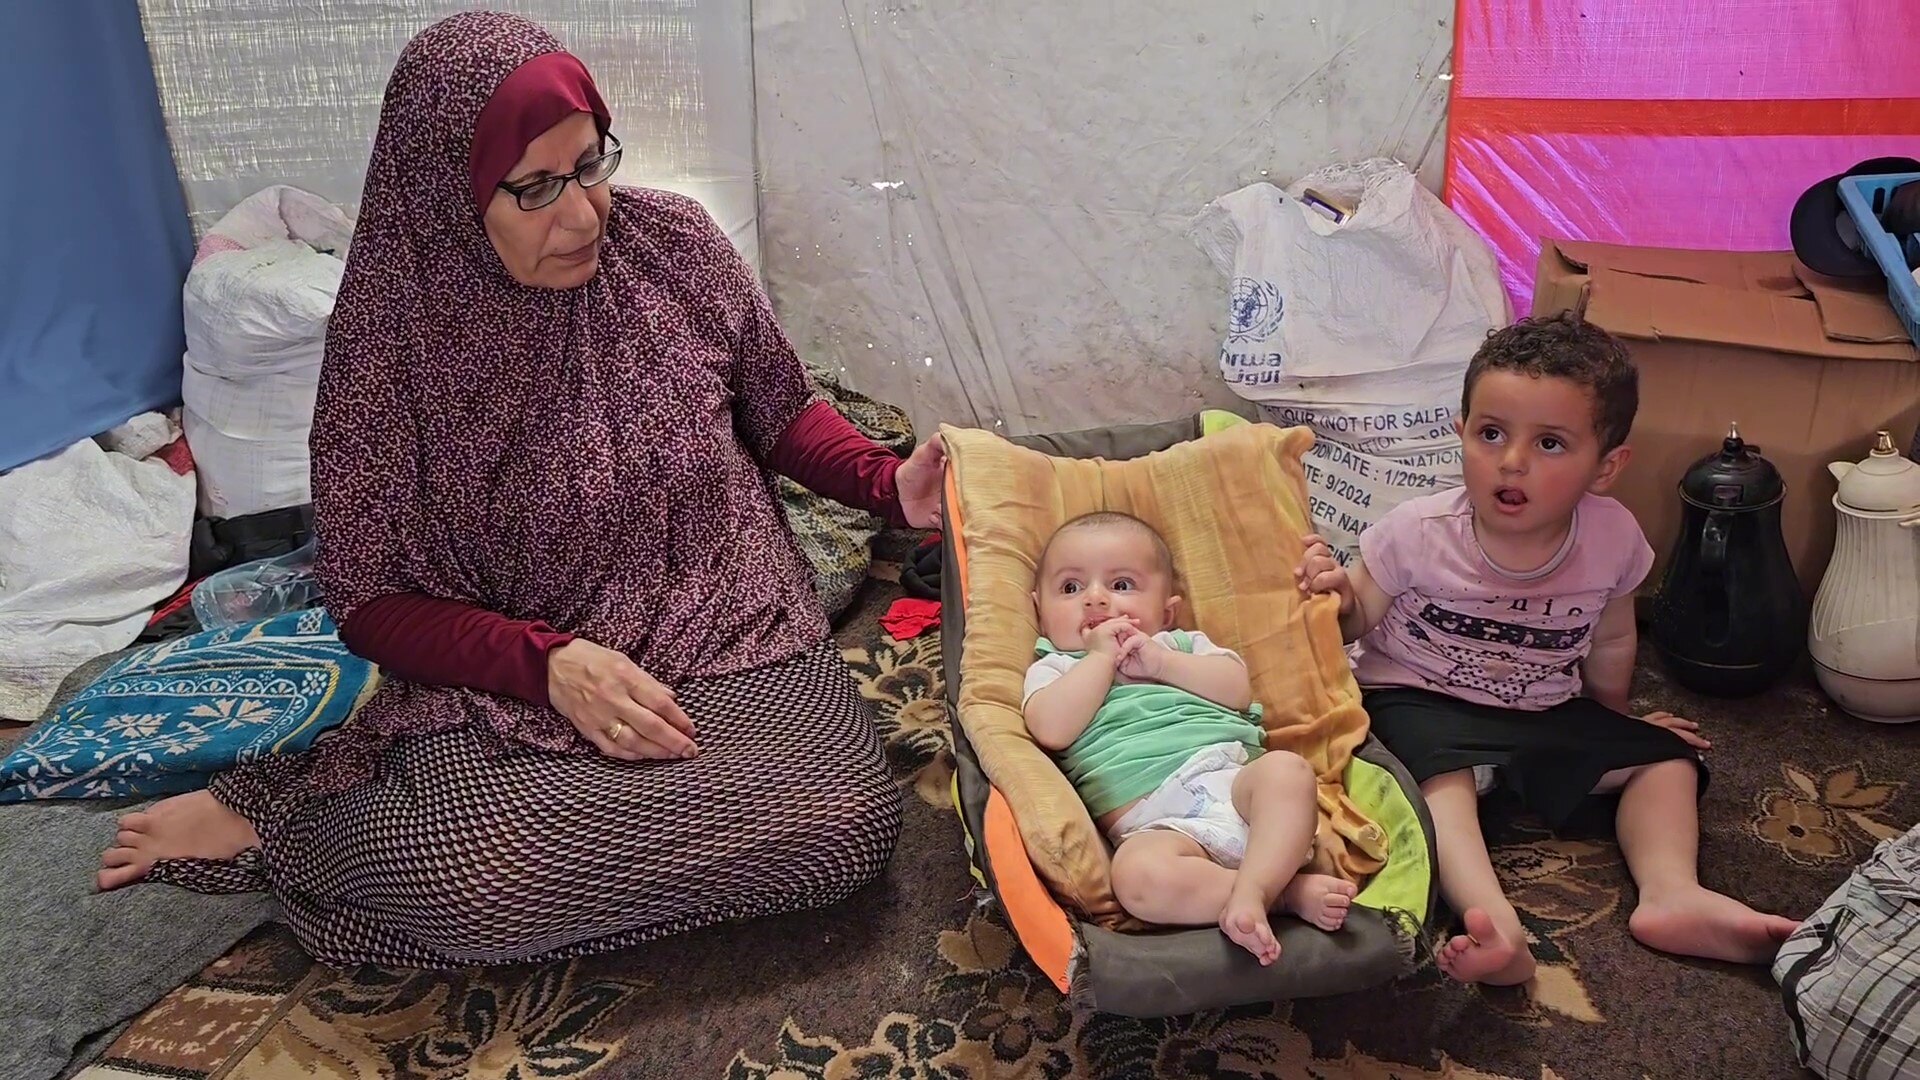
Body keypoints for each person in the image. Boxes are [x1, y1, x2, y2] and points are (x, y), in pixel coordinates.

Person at [95, 11, 944, 968]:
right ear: (449, 196)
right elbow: (372, 603)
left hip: (726, 621)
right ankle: (298, 828)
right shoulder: (393, 345)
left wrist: (888, 483)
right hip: (513, 672)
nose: (584, 215)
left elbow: (779, 410)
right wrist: (554, 667)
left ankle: (604, 842)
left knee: (845, 826)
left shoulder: (672, 247)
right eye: (534, 188)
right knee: (473, 885)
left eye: (590, 165)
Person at [1295, 313, 1798, 985]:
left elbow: (1615, 636)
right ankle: (1494, 923)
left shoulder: (1613, 538)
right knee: (1440, 786)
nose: (1512, 461)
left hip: (1540, 708)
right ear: (1461, 433)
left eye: (1551, 443)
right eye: (1491, 433)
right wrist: (1334, 594)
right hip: (1419, 702)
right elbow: (1356, 624)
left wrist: (1614, 717)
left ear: (1607, 466)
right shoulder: (1415, 532)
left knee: (1669, 762)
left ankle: (1672, 893)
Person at [1023, 512, 1356, 965]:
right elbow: (1050, 729)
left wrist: (1162, 664)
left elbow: (1238, 690)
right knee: (1136, 880)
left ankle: (1259, 883)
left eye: (1121, 585)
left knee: (1287, 771)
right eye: (1070, 588)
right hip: (1157, 825)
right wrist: (1100, 660)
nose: (1096, 600)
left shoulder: (1181, 645)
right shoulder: (1056, 668)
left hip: (1234, 785)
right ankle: (1280, 895)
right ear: (1039, 610)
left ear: (1167, 611)